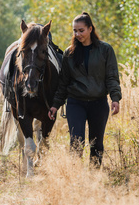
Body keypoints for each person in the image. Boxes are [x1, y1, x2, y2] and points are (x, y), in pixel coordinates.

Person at [48, 12, 121, 167]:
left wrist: (115, 98)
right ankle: (75, 177)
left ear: (90, 29)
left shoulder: (105, 50)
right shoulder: (69, 53)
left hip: (98, 103)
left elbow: (112, 77)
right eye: (75, 31)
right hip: (76, 103)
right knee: (76, 141)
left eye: (81, 30)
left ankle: (93, 180)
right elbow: (64, 82)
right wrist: (55, 104)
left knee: (96, 144)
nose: (77, 34)